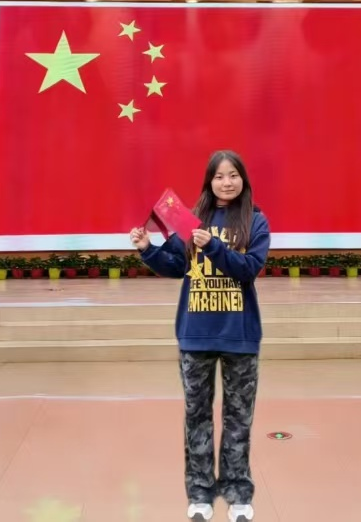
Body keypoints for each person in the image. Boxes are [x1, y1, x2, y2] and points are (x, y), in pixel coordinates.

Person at [130, 150, 270, 522]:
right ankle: (200, 494)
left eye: (233, 175)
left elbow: (249, 269)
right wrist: (148, 250)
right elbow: (177, 266)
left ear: (243, 179)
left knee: (239, 419)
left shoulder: (255, 221)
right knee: (197, 417)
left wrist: (214, 246)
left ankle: (238, 495)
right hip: (195, 334)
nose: (227, 182)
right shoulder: (190, 219)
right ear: (209, 181)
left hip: (240, 334)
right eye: (219, 176)